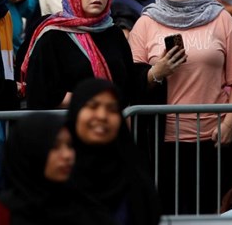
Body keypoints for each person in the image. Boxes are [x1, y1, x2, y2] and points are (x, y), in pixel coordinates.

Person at [128, 0, 232, 215]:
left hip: (215, 140)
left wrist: (230, 123)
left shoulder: (220, 18)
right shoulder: (146, 23)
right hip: (164, 144)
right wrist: (156, 72)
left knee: (211, 213)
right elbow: (131, 82)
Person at [22, 0, 167, 109]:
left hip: (111, 128)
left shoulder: (113, 33)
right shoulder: (52, 36)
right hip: (68, 128)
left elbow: (128, 85)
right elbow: (40, 93)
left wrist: (156, 72)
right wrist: (96, 101)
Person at [0, 112, 106, 225]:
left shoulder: (85, 204)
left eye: (69, 145)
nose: (68, 155)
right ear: (32, 152)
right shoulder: (1, 212)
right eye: (55, 146)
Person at [65, 79, 161, 224]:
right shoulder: (58, 173)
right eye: (93, 106)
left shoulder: (135, 178)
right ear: (76, 111)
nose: (102, 116)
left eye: (112, 109)